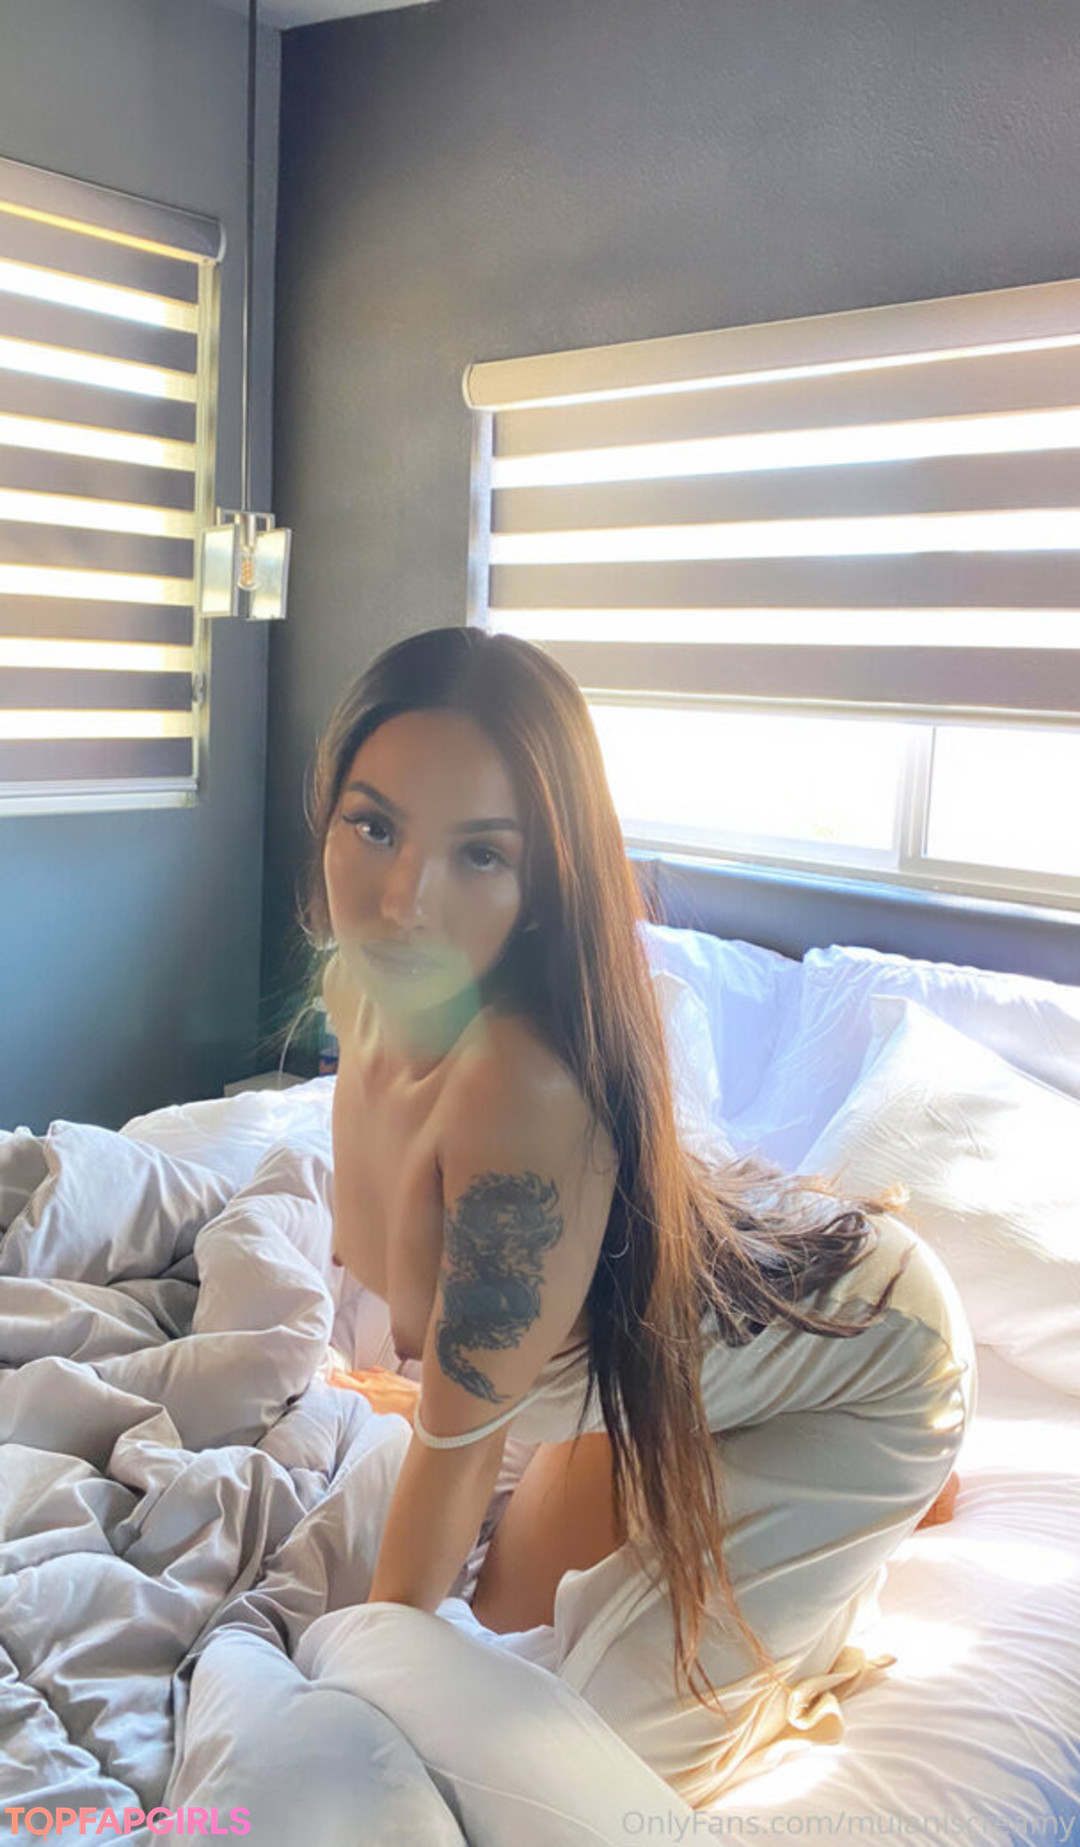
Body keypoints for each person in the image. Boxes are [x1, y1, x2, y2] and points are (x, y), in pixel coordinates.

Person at [187, 624, 975, 1817]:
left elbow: (448, 1470)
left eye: (480, 854)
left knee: (575, 1764)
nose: (402, 902)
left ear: (544, 882)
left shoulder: (521, 1088)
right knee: (495, 1619)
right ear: (327, 813)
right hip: (664, 1348)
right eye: (375, 826)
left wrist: (354, 1685)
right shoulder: (364, 992)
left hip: (879, 1366)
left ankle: (876, 1513)